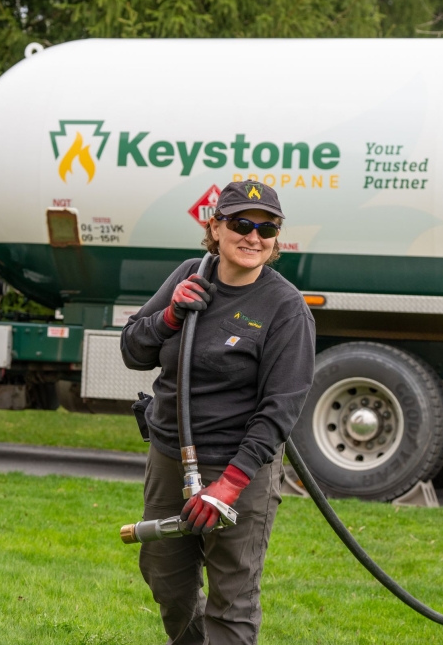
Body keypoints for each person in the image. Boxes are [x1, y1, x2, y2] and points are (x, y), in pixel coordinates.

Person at [121, 180, 316, 644]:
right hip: (171, 458)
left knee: (233, 597)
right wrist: (168, 315)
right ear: (216, 227)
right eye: (241, 223)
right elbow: (132, 349)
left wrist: (228, 485)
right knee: (167, 581)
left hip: (239, 470)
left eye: (267, 228)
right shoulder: (192, 272)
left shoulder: (286, 308)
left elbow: (280, 408)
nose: (254, 236)